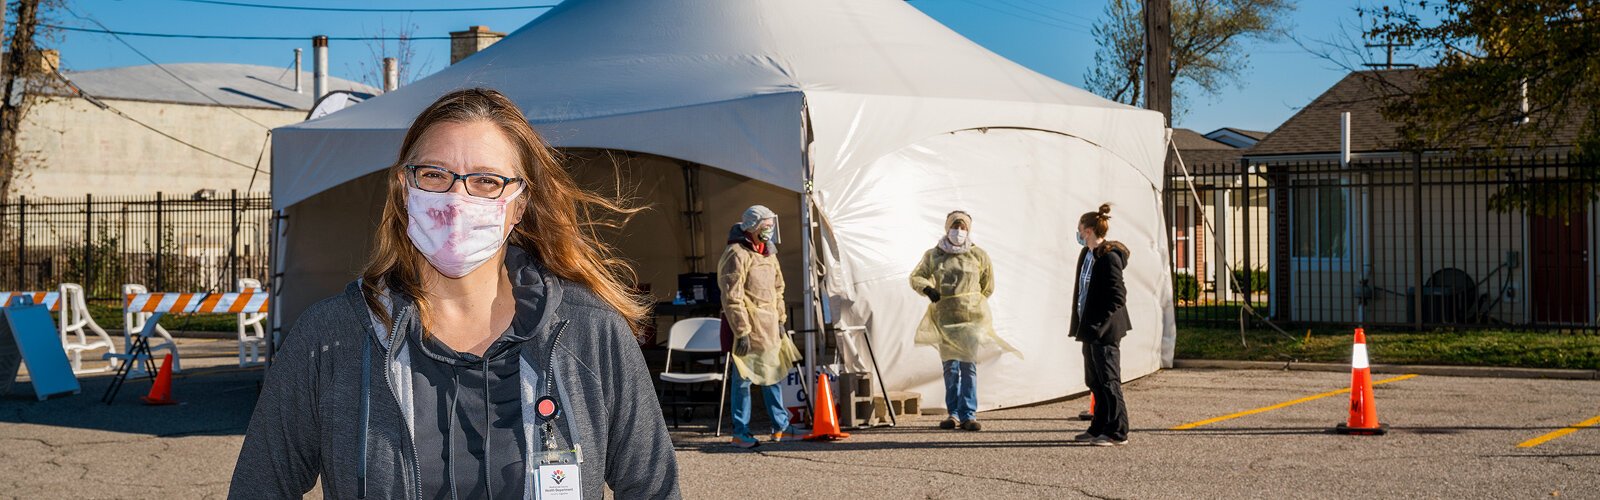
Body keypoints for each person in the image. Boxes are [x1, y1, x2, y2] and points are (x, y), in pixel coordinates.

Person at [229, 88, 680, 499]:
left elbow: (653, 490)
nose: (456, 199)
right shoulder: (331, 337)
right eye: (434, 174)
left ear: (520, 204)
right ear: (404, 189)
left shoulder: (589, 333)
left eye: (486, 180)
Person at [909, 211, 1019, 431]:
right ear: (947, 227)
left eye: (963, 228)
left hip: (970, 320)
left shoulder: (978, 255)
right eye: (955, 227)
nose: (958, 232)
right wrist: (928, 289)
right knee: (951, 367)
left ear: (968, 230)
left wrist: (971, 302)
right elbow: (916, 276)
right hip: (945, 319)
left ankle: (969, 414)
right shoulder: (934, 255)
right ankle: (953, 414)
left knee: (968, 367)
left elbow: (987, 285)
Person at [718, 205, 802, 448]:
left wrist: (780, 319)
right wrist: (741, 330)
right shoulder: (736, 253)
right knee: (742, 380)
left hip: (768, 327)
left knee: (772, 375)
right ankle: (740, 431)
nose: (770, 230)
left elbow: (778, 288)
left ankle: (781, 426)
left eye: (771, 225)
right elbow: (731, 295)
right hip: (746, 327)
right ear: (753, 228)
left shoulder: (768, 253)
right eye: (766, 225)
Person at [1069, 203, 1132, 447]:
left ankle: (1118, 430)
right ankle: (1098, 426)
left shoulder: (1109, 258)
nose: (1077, 233)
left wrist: (1099, 322)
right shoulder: (1087, 255)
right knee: (1094, 381)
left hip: (1104, 330)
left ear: (1087, 231)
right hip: (1088, 329)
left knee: (1109, 380)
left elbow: (1118, 296)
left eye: (1079, 229)